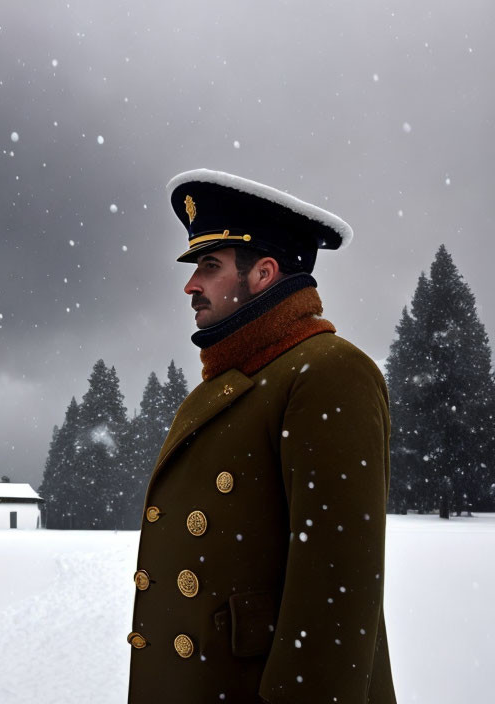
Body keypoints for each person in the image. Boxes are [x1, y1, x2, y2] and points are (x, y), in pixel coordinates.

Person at [127, 169, 396, 704]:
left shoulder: (327, 372)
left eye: (209, 265)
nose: (190, 285)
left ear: (264, 273)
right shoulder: (238, 382)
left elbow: (335, 598)